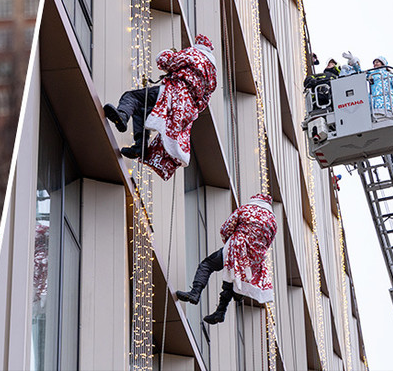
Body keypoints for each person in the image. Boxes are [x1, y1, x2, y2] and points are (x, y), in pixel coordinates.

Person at [104, 34, 217, 181]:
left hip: (174, 94)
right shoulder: (213, 75)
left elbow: (166, 62)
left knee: (133, 97)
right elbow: (204, 101)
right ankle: (140, 146)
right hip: (187, 108)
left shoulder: (194, 54)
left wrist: (169, 52)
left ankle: (122, 116)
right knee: (142, 109)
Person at [176, 194, 277, 324]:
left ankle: (195, 293)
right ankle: (220, 312)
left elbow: (226, 228)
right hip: (254, 260)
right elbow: (268, 243)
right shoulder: (273, 222)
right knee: (231, 281)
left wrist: (228, 242)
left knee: (207, 264)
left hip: (238, 247)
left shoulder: (245, 209)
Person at [103, 84, 160, 159]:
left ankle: (123, 116)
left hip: (171, 93)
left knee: (131, 96)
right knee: (140, 109)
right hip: (177, 107)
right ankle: (140, 147)